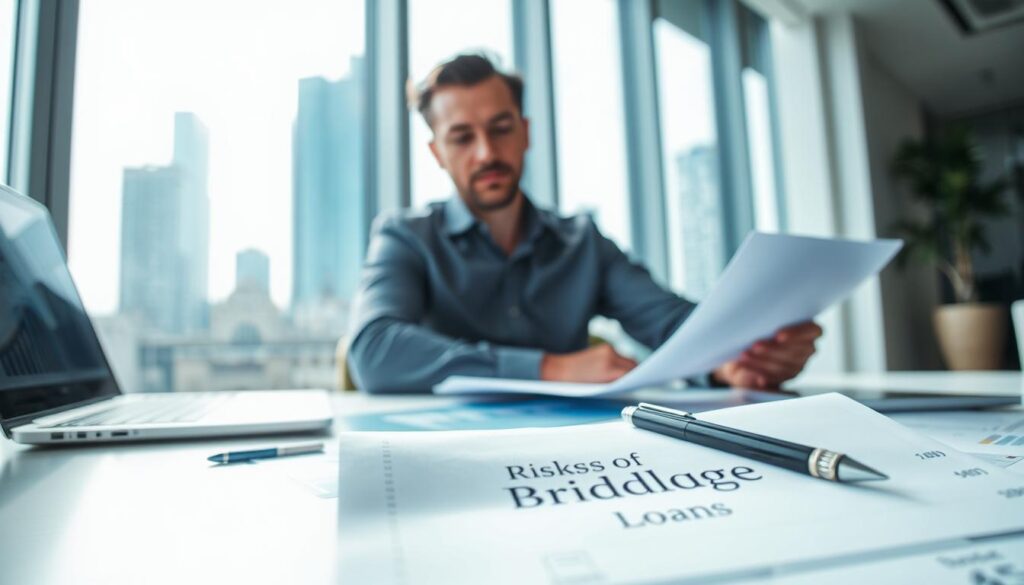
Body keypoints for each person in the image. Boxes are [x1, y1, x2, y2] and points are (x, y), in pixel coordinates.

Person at [347, 54, 821, 394]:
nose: (487, 153)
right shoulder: (405, 237)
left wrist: (732, 362)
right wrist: (549, 368)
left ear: (526, 132)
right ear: (438, 153)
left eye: (501, 128)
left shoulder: (582, 243)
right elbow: (373, 350)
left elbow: (673, 325)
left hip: (579, 457)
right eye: (462, 137)